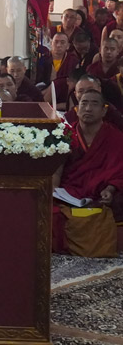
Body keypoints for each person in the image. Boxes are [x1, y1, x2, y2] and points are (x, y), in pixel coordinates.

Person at [53, 90, 123, 258]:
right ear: (77, 109)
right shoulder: (65, 135)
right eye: (84, 103)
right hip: (70, 193)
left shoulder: (115, 137)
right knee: (51, 213)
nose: (88, 108)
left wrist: (110, 189)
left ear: (104, 110)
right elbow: (56, 169)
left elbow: (118, 170)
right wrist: (53, 190)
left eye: (94, 104)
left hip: (100, 194)